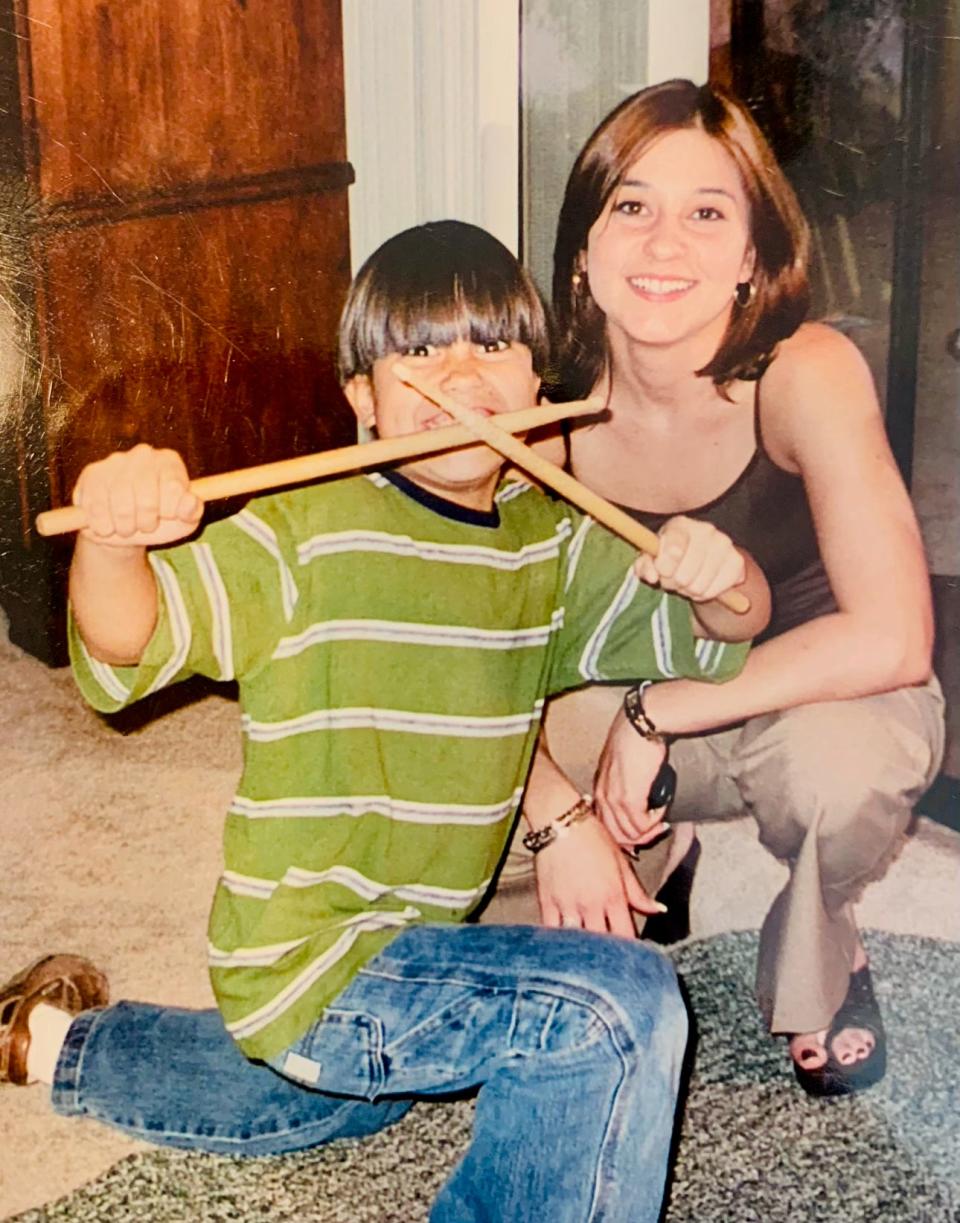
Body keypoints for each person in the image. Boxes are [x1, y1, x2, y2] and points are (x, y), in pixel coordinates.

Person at [0, 220, 771, 1222]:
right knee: (615, 1009)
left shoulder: (550, 542)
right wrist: (114, 541)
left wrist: (725, 575)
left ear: (540, 387)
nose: (461, 370)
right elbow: (124, 643)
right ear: (363, 399)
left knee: (346, 1104)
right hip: (313, 960)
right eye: (419, 347)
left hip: (406, 948)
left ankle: (53, 1042)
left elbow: (727, 630)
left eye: (495, 344)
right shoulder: (303, 533)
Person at [510, 79, 945, 1098]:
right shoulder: (535, 408)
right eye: (633, 207)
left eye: (707, 213)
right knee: (473, 863)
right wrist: (557, 818)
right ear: (583, 245)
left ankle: (824, 925)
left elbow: (894, 636)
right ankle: (664, 854)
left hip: (814, 698)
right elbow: (451, 646)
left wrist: (659, 710)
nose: (666, 246)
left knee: (838, 778)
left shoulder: (806, 370)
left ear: (752, 253)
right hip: (626, 700)